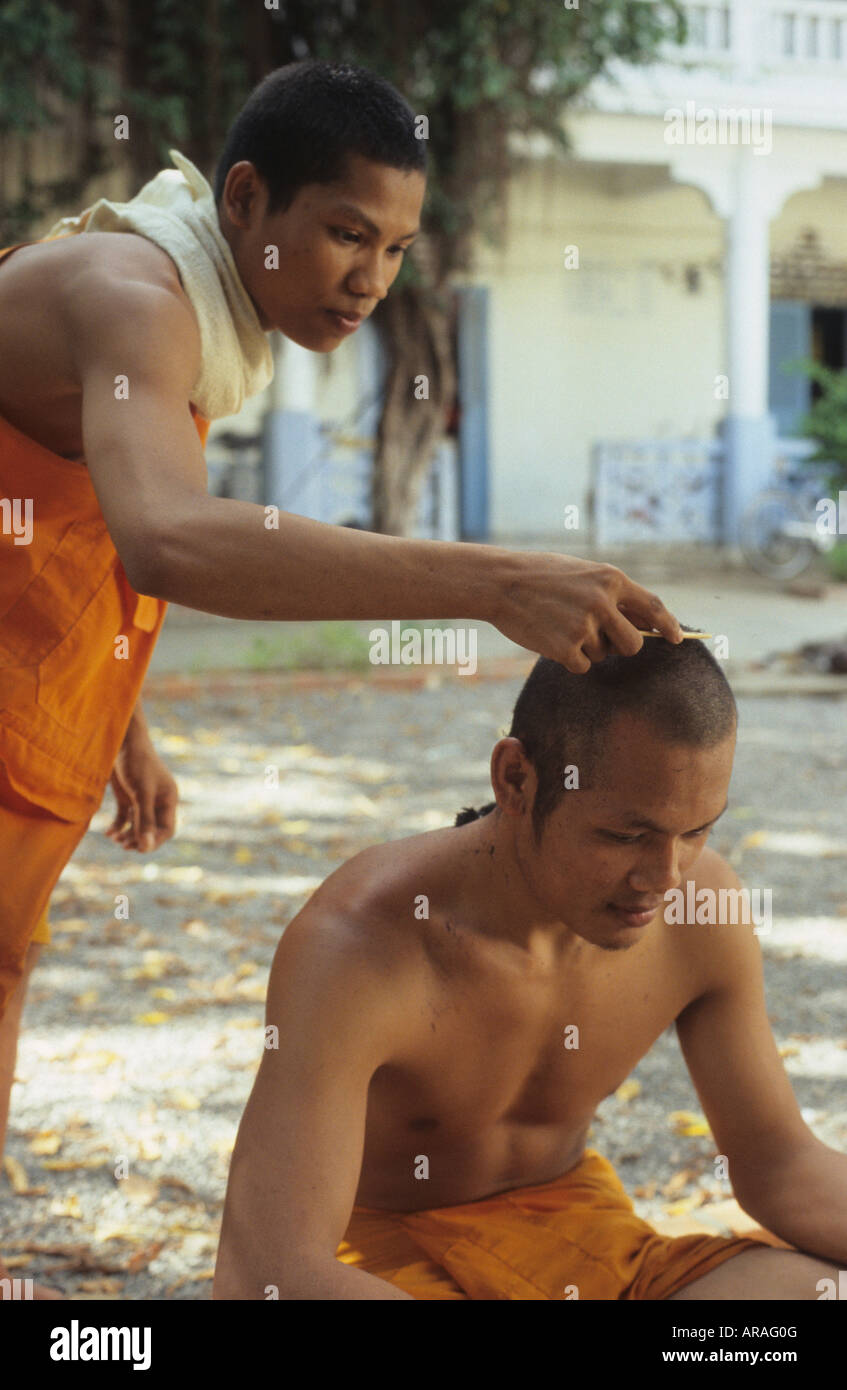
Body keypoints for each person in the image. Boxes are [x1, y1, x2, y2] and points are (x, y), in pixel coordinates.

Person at [0, 58, 680, 1297]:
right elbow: (159, 534)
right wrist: (482, 580)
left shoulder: (189, 312)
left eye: (398, 248)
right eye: (346, 235)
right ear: (248, 199)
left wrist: (117, 714)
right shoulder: (133, 296)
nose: (371, 280)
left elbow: (70, 527)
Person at [213, 637, 847, 1300]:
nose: (664, 878)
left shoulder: (699, 907)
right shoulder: (358, 945)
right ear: (516, 780)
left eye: (694, 833)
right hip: (378, 1264)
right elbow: (267, 1276)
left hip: (587, 1246)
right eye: (624, 836)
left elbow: (780, 1165)